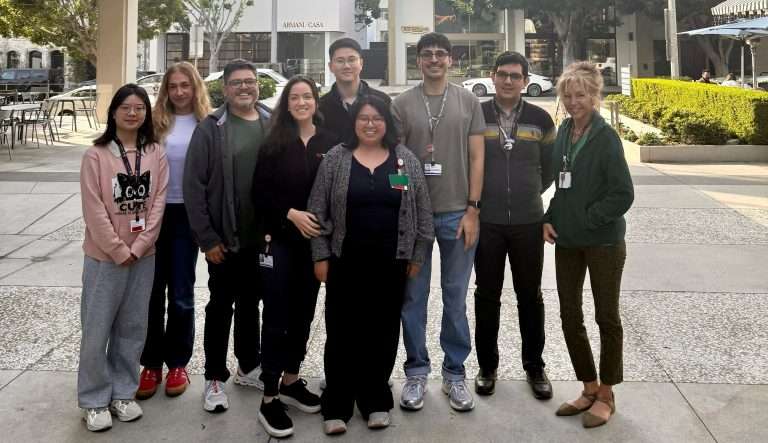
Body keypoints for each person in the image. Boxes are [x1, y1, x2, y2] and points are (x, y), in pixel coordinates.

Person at [308, 96, 434, 435]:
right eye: (363, 118)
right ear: (354, 123)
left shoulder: (404, 161)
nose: (369, 124)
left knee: (382, 332)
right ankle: (337, 404)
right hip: (345, 261)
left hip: (391, 263)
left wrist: (417, 256)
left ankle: (375, 400)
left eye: (377, 118)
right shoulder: (336, 159)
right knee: (342, 333)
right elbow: (317, 211)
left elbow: (423, 213)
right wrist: (320, 255)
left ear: (387, 124)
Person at [392, 32, 485, 412]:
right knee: (413, 298)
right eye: (427, 54)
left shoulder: (468, 101)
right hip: (415, 218)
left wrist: (473, 209)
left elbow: (478, 157)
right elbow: (394, 162)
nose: (434, 59)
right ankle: (416, 372)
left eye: (440, 54)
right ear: (419, 61)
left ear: (450, 60)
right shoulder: (401, 104)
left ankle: (454, 374)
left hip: (457, 215)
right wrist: (401, 203)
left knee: (455, 298)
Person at [543, 61, 634, 428]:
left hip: (603, 243)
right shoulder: (564, 131)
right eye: (568, 94)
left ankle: (608, 393)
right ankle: (588, 386)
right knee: (569, 315)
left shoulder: (606, 137)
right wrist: (551, 216)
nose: (573, 100)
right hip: (567, 241)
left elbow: (622, 194)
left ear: (594, 95)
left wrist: (587, 219)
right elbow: (561, 187)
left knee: (606, 317)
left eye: (580, 94)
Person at [77, 84, 168, 432]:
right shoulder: (96, 155)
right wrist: (117, 249)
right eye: (126, 107)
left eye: (140, 108)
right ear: (113, 112)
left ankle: (122, 392)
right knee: (97, 328)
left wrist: (141, 245)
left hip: (143, 256)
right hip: (104, 257)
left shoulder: (154, 152)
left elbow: (158, 201)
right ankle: (94, 399)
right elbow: (94, 208)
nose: (133, 113)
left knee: (133, 327)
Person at [184, 59, 270, 413]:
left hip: (260, 238)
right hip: (224, 239)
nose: (244, 88)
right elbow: (194, 186)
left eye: (250, 82)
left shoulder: (271, 121)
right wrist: (207, 238)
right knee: (221, 307)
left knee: (252, 305)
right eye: (237, 83)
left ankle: (248, 366)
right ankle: (213, 377)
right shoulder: (210, 128)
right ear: (225, 88)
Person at [250, 76, 331, 438]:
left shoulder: (329, 142)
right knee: (278, 317)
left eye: (307, 96)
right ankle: (269, 396)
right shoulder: (274, 143)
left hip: (313, 248)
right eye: (295, 97)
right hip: (279, 243)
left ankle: (291, 379)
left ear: (315, 101)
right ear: (286, 103)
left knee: (304, 315)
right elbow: (258, 194)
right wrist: (290, 213)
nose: (301, 102)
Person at [473, 51, 556, 400]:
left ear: (525, 79)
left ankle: (534, 366)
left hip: (527, 221)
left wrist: (526, 195)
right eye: (503, 74)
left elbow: (550, 168)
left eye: (516, 75)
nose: (509, 81)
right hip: (487, 221)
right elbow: (468, 161)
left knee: (530, 295)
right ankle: (487, 366)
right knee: (486, 295)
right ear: (493, 77)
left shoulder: (541, 118)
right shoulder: (476, 115)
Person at [137, 62, 211, 400]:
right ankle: (151, 363)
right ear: (165, 90)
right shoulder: (153, 124)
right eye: (173, 86)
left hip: (187, 216)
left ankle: (178, 362)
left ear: (195, 88)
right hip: (154, 214)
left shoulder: (208, 123)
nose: (179, 92)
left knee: (181, 292)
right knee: (151, 293)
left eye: (185, 85)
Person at [319, 37, 391, 145]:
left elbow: (390, 139)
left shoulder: (382, 100)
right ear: (330, 66)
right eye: (340, 61)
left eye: (351, 60)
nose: (346, 66)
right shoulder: (321, 106)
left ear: (361, 63)